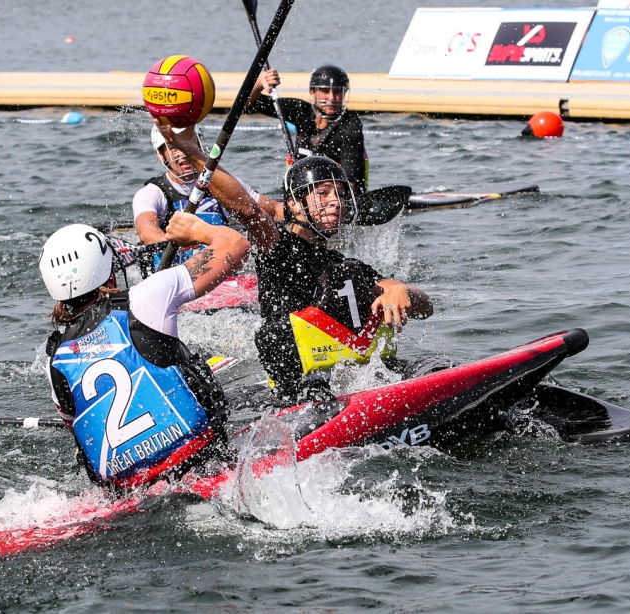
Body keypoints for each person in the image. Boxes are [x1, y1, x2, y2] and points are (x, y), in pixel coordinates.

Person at [158, 125, 432, 405]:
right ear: (294, 204)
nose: (335, 202)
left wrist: (400, 289)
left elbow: (425, 307)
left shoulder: (347, 265)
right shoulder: (277, 246)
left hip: (350, 378)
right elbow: (247, 209)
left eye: (339, 193)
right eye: (323, 193)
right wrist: (192, 151)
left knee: (435, 364)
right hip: (299, 387)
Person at [39, 213, 249, 489]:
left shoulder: (55, 358)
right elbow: (236, 244)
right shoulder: (146, 296)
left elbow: (78, 428)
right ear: (107, 268)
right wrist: (196, 229)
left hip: (131, 495)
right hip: (203, 464)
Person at [131, 125, 274, 277]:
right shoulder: (152, 193)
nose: (182, 153)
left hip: (220, 278)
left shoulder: (221, 185)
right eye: (173, 148)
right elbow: (147, 233)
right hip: (176, 279)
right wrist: (183, 240)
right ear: (160, 155)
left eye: (187, 144)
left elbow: (269, 209)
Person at [246, 65, 368, 193]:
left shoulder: (351, 125)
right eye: (325, 91)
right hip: (301, 192)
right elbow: (248, 104)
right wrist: (259, 83)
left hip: (338, 195)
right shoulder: (301, 111)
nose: (332, 98)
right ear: (312, 92)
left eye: (337, 92)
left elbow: (350, 182)